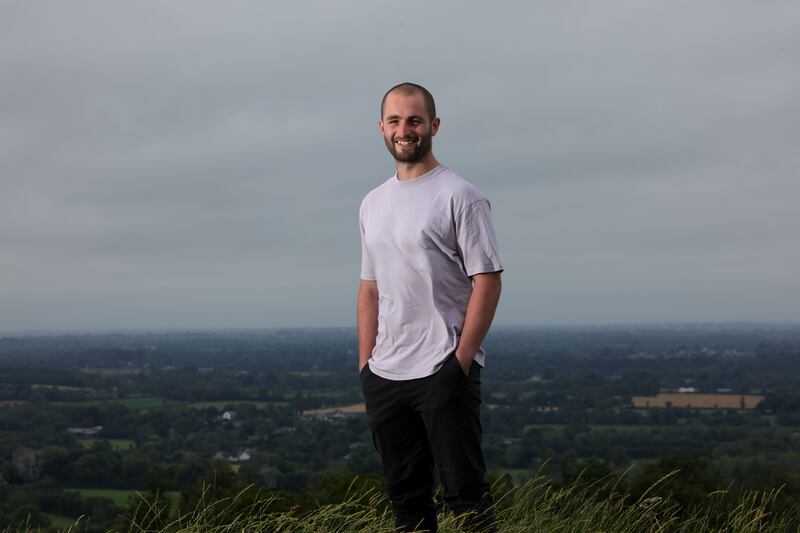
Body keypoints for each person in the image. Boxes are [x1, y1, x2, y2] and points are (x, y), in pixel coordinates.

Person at [357, 82, 503, 532]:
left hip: (443, 368)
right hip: (386, 374)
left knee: (467, 499)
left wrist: (460, 362)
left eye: (415, 120)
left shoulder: (460, 196)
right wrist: (366, 366)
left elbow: (488, 281)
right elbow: (370, 289)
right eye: (395, 120)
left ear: (434, 126)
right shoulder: (372, 202)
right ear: (381, 127)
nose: (405, 130)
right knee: (407, 503)